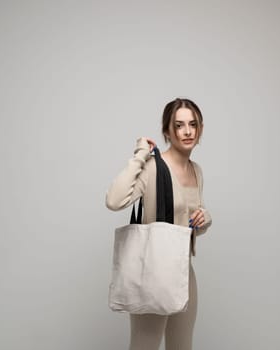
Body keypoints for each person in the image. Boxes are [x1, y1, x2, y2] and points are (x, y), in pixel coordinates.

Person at [105, 97, 212, 350]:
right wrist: (140, 155)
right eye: (179, 125)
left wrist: (205, 219)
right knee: (145, 345)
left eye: (193, 124)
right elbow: (114, 200)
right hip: (154, 271)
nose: (187, 131)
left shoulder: (196, 170)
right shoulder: (153, 168)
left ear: (200, 129)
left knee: (182, 346)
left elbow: (191, 221)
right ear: (167, 131)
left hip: (186, 271)